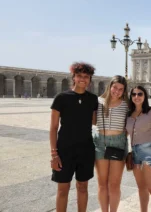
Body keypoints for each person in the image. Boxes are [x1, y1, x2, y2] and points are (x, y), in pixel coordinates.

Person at [49, 62, 98, 212]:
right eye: (79, 76)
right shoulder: (61, 98)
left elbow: (95, 121)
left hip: (86, 150)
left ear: (90, 79)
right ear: (74, 77)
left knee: (82, 187)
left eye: (86, 76)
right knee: (63, 189)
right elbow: (53, 128)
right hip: (64, 150)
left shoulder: (93, 99)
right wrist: (54, 154)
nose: (82, 79)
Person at [93, 75, 129, 212]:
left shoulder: (126, 104)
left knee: (114, 184)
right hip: (100, 142)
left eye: (121, 89)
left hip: (118, 143)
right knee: (102, 183)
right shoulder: (98, 102)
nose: (117, 91)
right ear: (110, 86)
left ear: (124, 91)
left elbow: (131, 124)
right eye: (115, 87)